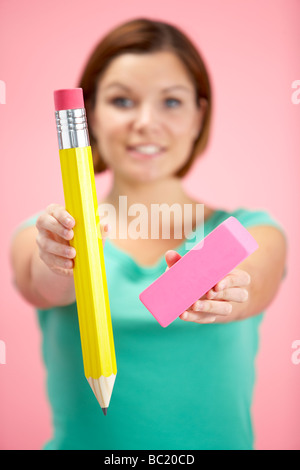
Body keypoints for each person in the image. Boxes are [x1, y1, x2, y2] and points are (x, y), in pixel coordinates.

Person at [10, 18, 287, 450]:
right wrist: (61, 258)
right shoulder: (42, 232)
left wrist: (224, 292)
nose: (145, 122)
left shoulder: (256, 230)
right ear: (91, 117)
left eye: (171, 102)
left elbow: (256, 278)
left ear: (200, 115)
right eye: (122, 100)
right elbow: (46, 284)